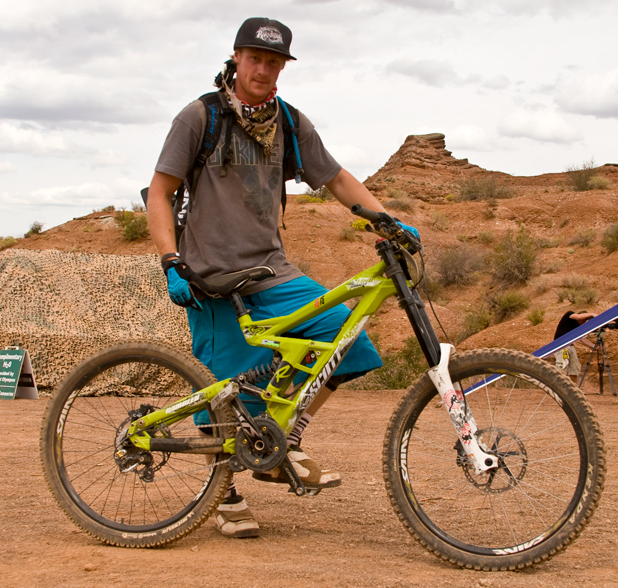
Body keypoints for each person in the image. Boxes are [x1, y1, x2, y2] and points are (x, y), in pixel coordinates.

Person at [147, 17, 420, 538]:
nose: (264, 70)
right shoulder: (198, 117)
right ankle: (223, 494)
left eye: (274, 63)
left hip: (272, 270)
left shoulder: (289, 123)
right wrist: (169, 260)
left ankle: (280, 443)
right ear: (237, 57)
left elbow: (335, 177)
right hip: (210, 276)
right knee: (223, 386)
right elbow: (159, 191)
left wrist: (383, 218)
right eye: (256, 59)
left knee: (346, 341)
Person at [553, 310, 595, 383]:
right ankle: (559, 389)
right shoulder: (569, 315)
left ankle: (575, 389)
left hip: (570, 346)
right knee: (562, 368)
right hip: (561, 346)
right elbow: (578, 317)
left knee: (574, 369)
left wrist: (594, 346)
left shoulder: (578, 328)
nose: (583, 322)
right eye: (583, 320)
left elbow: (582, 339)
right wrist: (592, 314)